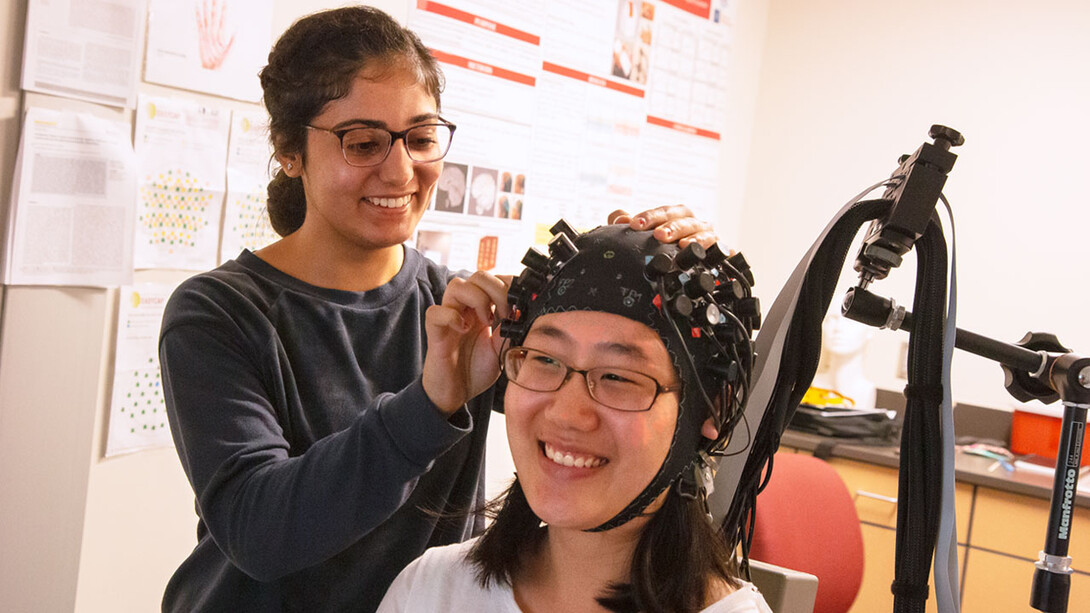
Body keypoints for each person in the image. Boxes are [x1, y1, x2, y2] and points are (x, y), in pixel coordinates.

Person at [159, 7, 718, 612]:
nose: (401, 170)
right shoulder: (220, 314)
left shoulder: (462, 314)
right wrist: (430, 404)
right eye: (364, 142)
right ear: (291, 151)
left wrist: (692, 279)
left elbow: (600, 403)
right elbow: (258, 532)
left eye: (421, 138)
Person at [378, 223, 770, 612]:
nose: (567, 413)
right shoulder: (431, 592)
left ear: (713, 407)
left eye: (618, 376)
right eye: (545, 360)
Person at [810, 308, 877, 411]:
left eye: (850, 320)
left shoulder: (866, 391)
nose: (838, 328)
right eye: (832, 319)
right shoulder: (810, 383)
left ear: (869, 332)